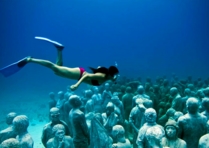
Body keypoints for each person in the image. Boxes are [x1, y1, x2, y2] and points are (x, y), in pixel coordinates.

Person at [0, 37, 119, 91]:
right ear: (110, 74)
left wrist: (110, 75)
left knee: (58, 69)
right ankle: (30, 60)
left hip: (79, 72)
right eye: (114, 76)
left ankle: (59, 49)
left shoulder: (106, 76)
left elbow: (100, 69)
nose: (115, 78)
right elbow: (87, 76)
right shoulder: (103, 77)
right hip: (79, 74)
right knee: (55, 68)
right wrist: (76, 86)